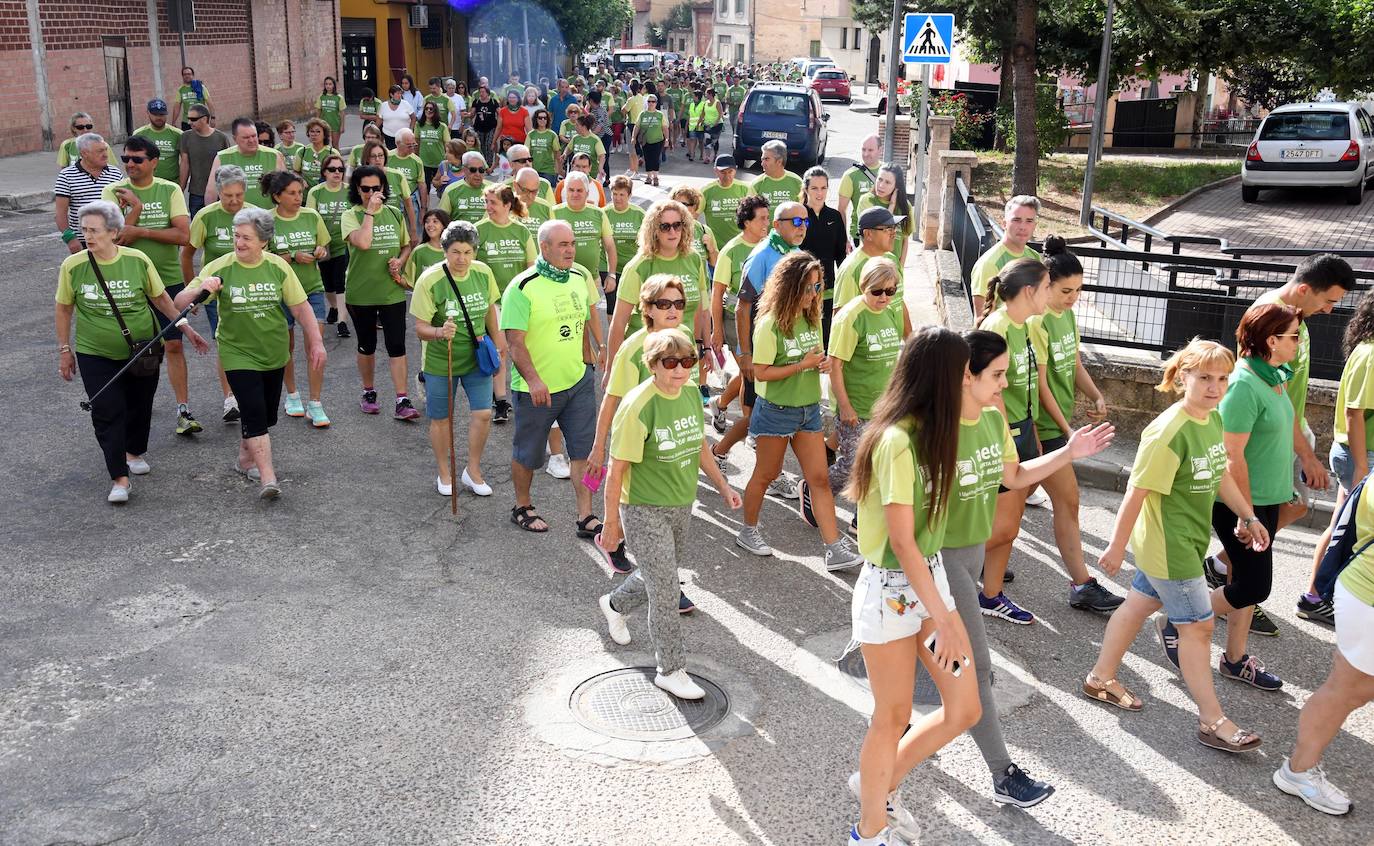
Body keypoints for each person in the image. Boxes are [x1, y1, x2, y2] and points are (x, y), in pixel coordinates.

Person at [943, 329, 1112, 808]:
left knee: (926, 685)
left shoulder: (993, 421)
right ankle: (1003, 774)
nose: (1006, 382)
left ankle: (888, 766)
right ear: (964, 375)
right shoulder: (930, 430)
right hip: (939, 565)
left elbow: (1014, 477)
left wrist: (1069, 452)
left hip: (967, 557)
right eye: (997, 374)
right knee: (977, 673)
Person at [1083, 339, 1268, 756]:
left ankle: (1100, 679)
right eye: (1204, 377)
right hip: (1171, 549)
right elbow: (1137, 491)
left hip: (1179, 541)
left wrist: (1247, 515)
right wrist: (1115, 545)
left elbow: (1220, 473)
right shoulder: (1169, 430)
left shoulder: (1212, 419)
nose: (1214, 387)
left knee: (1136, 607)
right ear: (1183, 375)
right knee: (1198, 629)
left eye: (1222, 378)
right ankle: (1212, 720)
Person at [843, 327, 980, 846]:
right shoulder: (897, 441)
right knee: (893, 715)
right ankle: (868, 830)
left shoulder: (934, 431)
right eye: (966, 373)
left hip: (929, 579)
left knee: (965, 707)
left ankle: (878, 787)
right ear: (943, 378)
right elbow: (901, 541)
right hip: (891, 589)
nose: (970, 381)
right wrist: (943, 618)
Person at [597, 329, 742, 699]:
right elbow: (617, 471)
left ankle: (614, 604)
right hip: (644, 508)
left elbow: (699, 446)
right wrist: (611, 524)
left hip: (681, 503)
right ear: (653, 365)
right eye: (670, 362)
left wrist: (723, 487)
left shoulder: (691, 393)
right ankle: (671, 669)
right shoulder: (637, 406)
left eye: (688, 362)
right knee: (666, 589)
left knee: (656, 574)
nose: (680, 370)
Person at [56, 201, 209, 503]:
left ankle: (134, 451)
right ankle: (119, 478)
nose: (88, 236)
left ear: (114, 232)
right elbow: (64, 308)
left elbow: (162, 299)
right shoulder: (73, 266)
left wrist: (186, 329)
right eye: (84, 230)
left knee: (140, 403)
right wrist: (64, 348)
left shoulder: (137, 260)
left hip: (144, 348)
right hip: (94, 351)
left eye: (94, 230)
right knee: (107, 410)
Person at [176, 206, 325, 500]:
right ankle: (268, 477)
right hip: (237, 352)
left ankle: (245, 459)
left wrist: (317, 341)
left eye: (246, 237)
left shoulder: (278, 267)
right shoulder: (219, 267)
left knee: (266, 415)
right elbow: (180, 301)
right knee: (254, 411)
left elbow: (300, 307)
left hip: (273, 351)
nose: (239, 242)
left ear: (263, 242)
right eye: (236, 236)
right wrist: (199, 290)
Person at [1191, 302, 1302, 691]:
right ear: (1272, 340)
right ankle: (1180, 620)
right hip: (1239, 504)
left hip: (1266, 500)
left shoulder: (1274, 375)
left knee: (1245, 580)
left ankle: (1235, 659)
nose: (1299, 342)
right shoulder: (1242, 384)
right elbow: (1231, 454)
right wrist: (1247, 513)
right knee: (1255, 586)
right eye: (1294, 336)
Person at [1238, 256, 1352, 626]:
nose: (1330, 309)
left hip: (1288, 429)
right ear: (1305, 289)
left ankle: (1227, 574)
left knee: (1294, 506)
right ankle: (1235, 593)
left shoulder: (1295, 319)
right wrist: (1306, 455)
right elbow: (1258, 384)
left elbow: (1285, 387)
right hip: (1267, 438)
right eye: (1328, 300)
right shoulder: (1271, 316)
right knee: (1262, 516)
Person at [736, 251, 864, 570]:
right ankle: (748, 531)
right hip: (776, 412)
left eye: (818, 287)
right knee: (765, 475)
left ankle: (834, 548)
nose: (814, 294)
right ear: (790, 287)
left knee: (819, 479)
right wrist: (801, 365)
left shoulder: (811, 319)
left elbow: (811, 359)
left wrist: (817, 365)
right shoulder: (769, 324)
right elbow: (761, 372)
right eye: (808, 288)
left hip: (808, 410)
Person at [1273, 436, 1374, 814]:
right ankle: (1298, 770)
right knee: (1347, 690)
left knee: (1355, 689)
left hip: (1362, 595)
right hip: (1367, 599)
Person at [1025, 236, 1123, 613]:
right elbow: (1042, 382)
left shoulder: (1066, 315)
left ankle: (980, 563)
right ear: (1045, 284)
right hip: (1044, 428)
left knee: (1007, 507)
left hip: (1058, 427)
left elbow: (1074, 362)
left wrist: (1095, 394)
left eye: (1079, 290)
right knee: (1068, 500)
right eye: (1066, 290)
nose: (1073, 298)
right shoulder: (1037, 322)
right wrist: (1066, 431)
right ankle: (1081, 584)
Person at [589, 274, 699, 576]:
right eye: (663, 303)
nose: (673, 310)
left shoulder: (685, 335)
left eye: (678, 303)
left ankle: (659, 577)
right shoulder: (632, 348)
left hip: (673, 437)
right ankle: (613, 538)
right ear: (647, 309)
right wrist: (599, 448)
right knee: (638, 504)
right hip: (640, 440)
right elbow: (611, 400)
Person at [500, 220, 600, 537]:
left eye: (572, 243)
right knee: (528, 453)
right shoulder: (522, 286)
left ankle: (587, 515)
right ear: (544, 247)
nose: (570, 249)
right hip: (537, 389)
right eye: (562, 245)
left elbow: (583, 319)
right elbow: (514, 342)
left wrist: (589, 356)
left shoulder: (578, 278)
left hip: (578, 382)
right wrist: (533, 380)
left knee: (586, 450)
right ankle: (522, 506)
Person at [101, 137, 197, 436]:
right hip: (127, 283)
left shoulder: (169, 190)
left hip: (167, 280)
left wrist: (140, 228)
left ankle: (183, 410)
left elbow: (183, 236)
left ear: (154, 162)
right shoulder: (112, 192)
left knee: (174, 345)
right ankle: (132, 405)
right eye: (125, 158)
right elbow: (115, 238)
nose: (130, 164)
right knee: (132, 349)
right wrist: (136, 208)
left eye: (137, 159)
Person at [975, 258, 1051, 624]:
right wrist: (1006, 438)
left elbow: (1025, 387)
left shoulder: (1024, 325)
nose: (1051, 294)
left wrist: (1030, 429)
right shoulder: (999, 325)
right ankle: (937, 562)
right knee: (1002, 526)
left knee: (1011, 524)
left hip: (1020, 429)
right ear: (1029, 291)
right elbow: (992, 392)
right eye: (1048, 287)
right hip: (1002, 435)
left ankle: (990, 595)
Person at [411, 220, 506, 497]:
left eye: (467, 252)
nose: (462, 258)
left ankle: (472, 470)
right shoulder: (430, 280)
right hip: (442, 359)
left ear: (474, 251)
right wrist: (440, 331)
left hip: (477, 355)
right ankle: (444, 471)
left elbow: (490, 309)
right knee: (442, 418)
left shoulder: (483, 272)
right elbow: (419, 328)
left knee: (484, 413)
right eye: (455, 252)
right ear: (444, 250)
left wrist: (499, 341)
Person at [826, 258, 907, 516]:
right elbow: (835, 365)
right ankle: (818, 489)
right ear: (864, 286)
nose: (884, 297)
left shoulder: (892, 311)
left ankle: (862, 519)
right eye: (877, 291)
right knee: (852, 465)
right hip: (856, 406)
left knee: (879, 465)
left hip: (885, 406)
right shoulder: (850, 317)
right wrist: (846, 407)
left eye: (890, 291)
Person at [341, 165, 418, 420]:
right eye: (366, 189)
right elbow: (363, 243)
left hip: (391, 291)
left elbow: (406, 245)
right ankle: (368, 391)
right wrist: (370, 213)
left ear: (384, 188)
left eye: (377, 188)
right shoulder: (351, 215)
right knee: (367, 346)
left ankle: (402, 398)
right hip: (360, 292)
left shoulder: (395, 213)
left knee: (397, 345)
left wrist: (400, 259)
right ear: (357, 189)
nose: (372, 193)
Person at [605, 199, 708, 377]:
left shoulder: (694, 259)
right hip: (648, 358)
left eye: (678, 225)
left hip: (684, 355)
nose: (673, 231)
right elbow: (619, 321)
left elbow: (702, 307)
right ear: (654, 231)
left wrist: (704, 346)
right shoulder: (638, 266)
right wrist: (611, 369)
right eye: (665, 227)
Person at [263, 171, 332, 427]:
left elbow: (325, 251)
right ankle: (292, 395)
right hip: (280, 293)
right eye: (291, 193)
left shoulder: (311, 216)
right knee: (286, 346)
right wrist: (292, 255)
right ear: (277, 196)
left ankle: (316, 403)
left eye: (300, 192)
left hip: (312, 289)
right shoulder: (267, 221)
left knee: (316, 346)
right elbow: (262, 258)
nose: (298, 197)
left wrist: (320, 251)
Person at [183, 165, 248, 421]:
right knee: (226, 342)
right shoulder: (205, 216)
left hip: (249, 289)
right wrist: (193, 292)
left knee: (248, 340)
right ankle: (230, 397)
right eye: (227, 195)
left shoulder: (255, 214)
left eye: (238, 195)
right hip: (216, 293)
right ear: (218, 192)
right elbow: (187, 255)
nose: (233, 201)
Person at [707, 193, 770, 444]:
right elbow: (717, 292)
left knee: (753, 370)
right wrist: (717, 330)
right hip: (735, 318)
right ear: (747, 222)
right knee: (750, 373)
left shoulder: (771, 245)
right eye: (762, 218)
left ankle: (720, 403)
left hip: (764, 319)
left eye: (768, 216)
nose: (768, 222)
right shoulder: (731, 251)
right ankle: (751, 428)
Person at [799, 166, 848, 342]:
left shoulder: (834, 217)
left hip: (827, 288)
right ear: (806, 189)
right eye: (814, 188)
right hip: (802, 286)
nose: (819, 193)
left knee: (825, 337)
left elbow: (841, 256)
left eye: (823, 188)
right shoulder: (799, 217)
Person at [970, 196, 1041, 317]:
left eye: (1029, 221)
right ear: (1004, 224)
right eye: (1016, 220)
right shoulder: (989, 264)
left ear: (1035, 225)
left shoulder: (1034, 257)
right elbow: (983, 321)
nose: (1023, 226)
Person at [306, 154, 351, 339]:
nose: (337, 173)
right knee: (327, 283)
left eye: (340, 169)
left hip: (344, 244)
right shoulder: (315, 192)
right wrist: (316, 244)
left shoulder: (350, 190)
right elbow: (309, 219)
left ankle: (342, 321)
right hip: (323, 245)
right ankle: (333, 306)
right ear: (324, 172)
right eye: (332, 169)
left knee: (340, 282)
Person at [54, 133, 123, 255]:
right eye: (100, 151)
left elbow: (123, 207)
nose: (106, 154)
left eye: (105, 150)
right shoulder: (66, 176)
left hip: (112, 239)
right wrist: (70, 239)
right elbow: (60, 214)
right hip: (85, 241)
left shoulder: (115, 173)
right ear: (84, 153)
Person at [205, 117, 285, 209]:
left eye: (254, 136)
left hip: (267, 217)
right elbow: (211, 192)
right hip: (235, 218)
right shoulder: (222, 157)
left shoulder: (274, 155)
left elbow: (285, 188)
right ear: (235, 139)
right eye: (246, 137)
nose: (251, 140)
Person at [856, 165, 913, 272]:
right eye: (880, 179)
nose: (881, 185)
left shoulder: (906, 206)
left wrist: (900, 268)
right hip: (871, 266)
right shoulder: (867, 201)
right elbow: (876, 234)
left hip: (894, 268)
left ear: (896, 185)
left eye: (887, 182)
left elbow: (905, 239)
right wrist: (891, 206)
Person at [603, 175, 645, 315]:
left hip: (633, 268)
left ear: (630, 195)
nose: (617, 198)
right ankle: (613, 336)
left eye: (622, 194)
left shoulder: (639, 214)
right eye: (614, 194)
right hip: (611, 268)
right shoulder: (604, 213)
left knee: (635, 307)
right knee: (612, 306)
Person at [701, 154, 750, 250]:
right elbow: (694, 215)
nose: (727, 176)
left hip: (740, 246)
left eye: (730, 172)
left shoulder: (745, 189)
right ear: (715, 171)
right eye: (723, 172)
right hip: (715, 247)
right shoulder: (706, 190)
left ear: (735, 170)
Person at [838, 135, 880, 244]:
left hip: (883, 234)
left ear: (879, 150)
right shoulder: (850, 175)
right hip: (859, 235)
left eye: (870, 150)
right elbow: (841, 210)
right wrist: (844, 238)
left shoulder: (888, 172)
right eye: (863, 149)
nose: (866, 154)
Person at [132, 99, 182, 184]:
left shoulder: (178, 134)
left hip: (172, 183)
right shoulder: (139, 134)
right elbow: (133, 161)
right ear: (148, 113)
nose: (159, 117)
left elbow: (185, 161)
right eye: (155, 114)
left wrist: (181, 185)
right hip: (146, 183)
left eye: (162, 114)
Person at [438, 151, 490, 225]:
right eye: (473, 170)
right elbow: (441, 219)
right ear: (464, 170)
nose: (477, 174)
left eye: (481, 170)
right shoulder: (451, 190)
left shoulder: (494, 189)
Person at [748, 140, 802, 209]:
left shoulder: (797, 182)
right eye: (762, 160)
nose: (762, 164)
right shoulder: (756, 184)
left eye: (766, 159)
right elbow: (750, 213)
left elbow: (804, 212)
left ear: (779, 161)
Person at [415, 101, 451, 195]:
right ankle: (426, 208)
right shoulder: (419, 125)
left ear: (435, 111)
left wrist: (448, 158)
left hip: (439, 162)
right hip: (424, 162)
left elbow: (447, 144)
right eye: (426, 108)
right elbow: (416, 142)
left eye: (431, 109)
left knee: (442, 188)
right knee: (425, 189)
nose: (428, 110)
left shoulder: (442, 126)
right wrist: (416, 157)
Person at [631, 95, 666, 187]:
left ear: (656, 103)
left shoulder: (660, 114)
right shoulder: (642, 114)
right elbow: (637, 126)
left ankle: (655, 177)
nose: (651, 103)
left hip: (658, 140)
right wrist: (633, 137)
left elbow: (665, 127)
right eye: (649, 101)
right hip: (645, 140)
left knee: (655, 158)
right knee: (647, 158)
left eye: (653, 102)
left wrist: (667, 139)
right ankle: (649, 176)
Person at [564, 115, 607, 185]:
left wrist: (600, 168)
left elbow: (602, 155)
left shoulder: (595, 139)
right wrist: (565, 154)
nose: (575, 127)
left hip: (590, 175)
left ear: (583, 127)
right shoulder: (575, 138)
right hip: (576, 173)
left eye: (577, 125)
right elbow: (569, 148)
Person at [526, 109, 562, 185]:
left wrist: (558, 170)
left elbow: (557, 154)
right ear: (536, 119)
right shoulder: (531, 134)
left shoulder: (552, 135)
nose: (542, 120)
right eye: (540, 118)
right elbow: (526, 152)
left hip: (548, 170)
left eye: (545, 118)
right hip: (533, 169)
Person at [468, 85, 500, 165]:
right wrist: (467, 115)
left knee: (489, 144)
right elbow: (472, 114)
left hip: (491, 127)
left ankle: (489, 164)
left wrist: (500, 124)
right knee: (480, 145)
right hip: (479, 127)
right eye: (480, 92)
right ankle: (482, 163)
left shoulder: (493, 101)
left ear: (488, 93)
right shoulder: (476, 101)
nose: (481, 94)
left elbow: (500, 113)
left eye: (483, 92)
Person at [379, 85, 416, 150]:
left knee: (404, 153)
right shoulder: (383, 105)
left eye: (400, 93)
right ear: (391, 94)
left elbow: (413, 117)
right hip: (388, 135)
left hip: (403, 136)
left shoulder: (406, 104)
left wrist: (411, 129)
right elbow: (379, 120)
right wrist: (373, 129)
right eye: (397, 93)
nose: (400, 96)